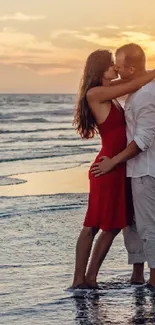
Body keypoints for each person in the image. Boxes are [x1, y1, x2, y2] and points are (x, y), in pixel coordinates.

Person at [71, 48, 155, 289]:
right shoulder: (96, 93)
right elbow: (134, 82)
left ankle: (89, 279)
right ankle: (81, 280)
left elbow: (133, 78)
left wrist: (134, 72)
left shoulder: (107, 92)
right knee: (94, 225)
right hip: (107, 166)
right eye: (111, 65)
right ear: (100, 69)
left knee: (112, 224)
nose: (115, 69)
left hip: (116, 166)